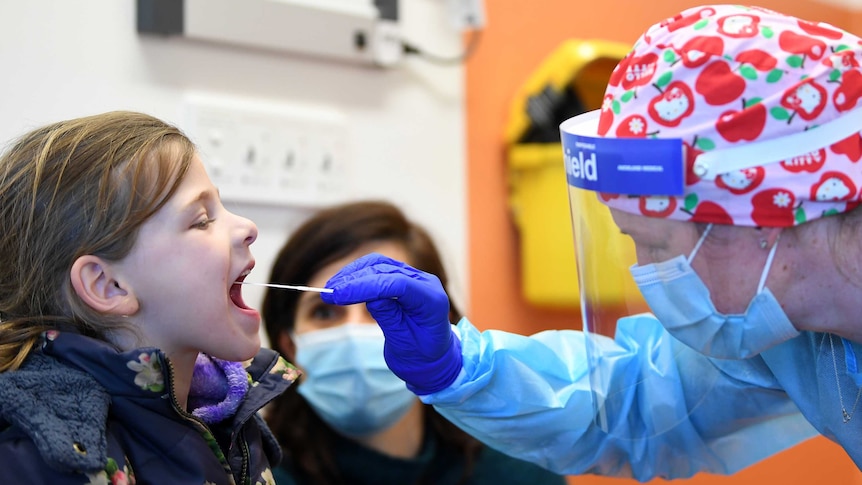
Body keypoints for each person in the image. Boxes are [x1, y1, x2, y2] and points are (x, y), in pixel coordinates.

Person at [316, 5, 862, 481]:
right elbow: (636, 405)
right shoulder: (793, 337)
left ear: (763, 217)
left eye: (651, 243)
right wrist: (457, 367)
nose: (645, 272)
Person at [0, 111, 299, 484]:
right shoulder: (44, 463)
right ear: (108, 286)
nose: (247, 227)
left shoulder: (231, 419)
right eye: (202, 219)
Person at [261, 200, 567, 485]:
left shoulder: (519, 471)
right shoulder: (254, 474)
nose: (354, 333)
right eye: (324, 312)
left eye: (386, 306)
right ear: (290, 345)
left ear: (438, 326)